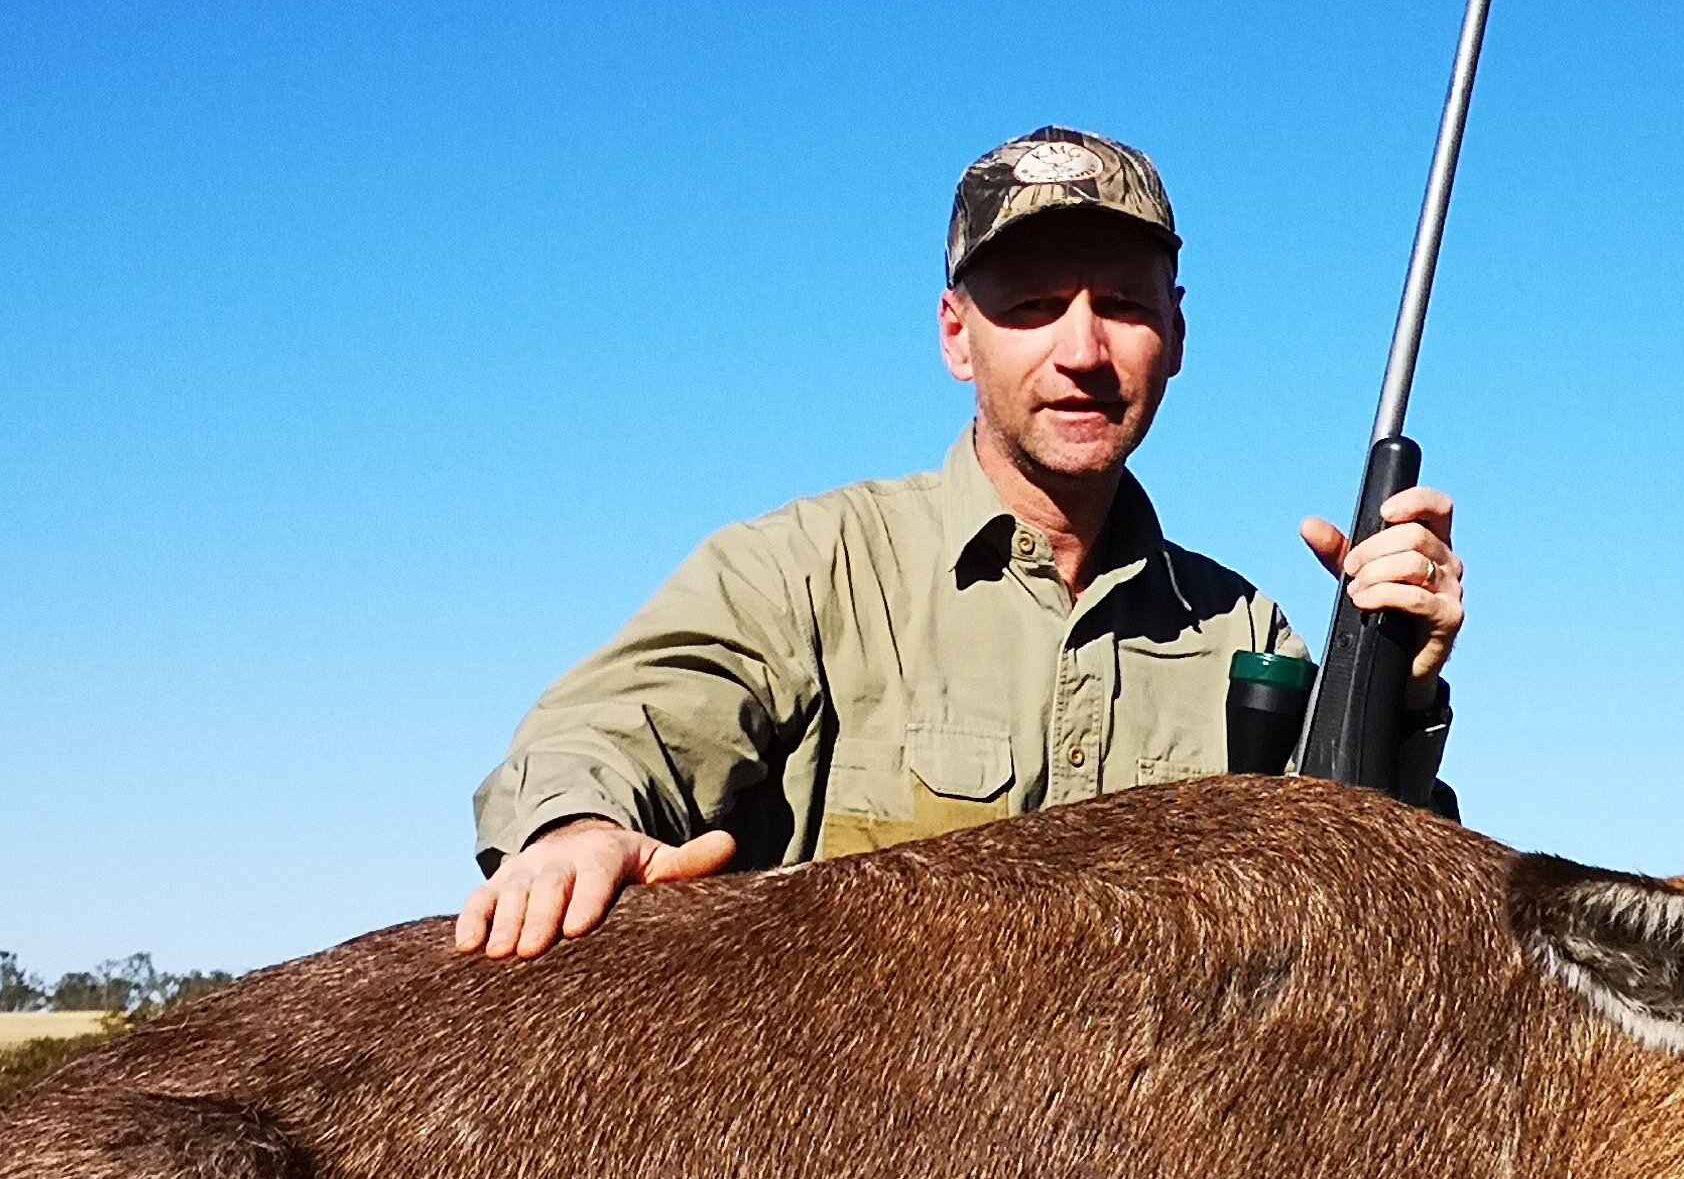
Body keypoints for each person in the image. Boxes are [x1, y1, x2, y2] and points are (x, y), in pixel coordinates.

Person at [455, 127, 1466, 958]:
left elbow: (1356, 920)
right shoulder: (806, 570)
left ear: (1176, 335)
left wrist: (1399, 690)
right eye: (1032, 309)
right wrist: (572, 831)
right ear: (954, 335)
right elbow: (609, 729)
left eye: (1118, 305)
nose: (1080, 352)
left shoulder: (1244, 633)